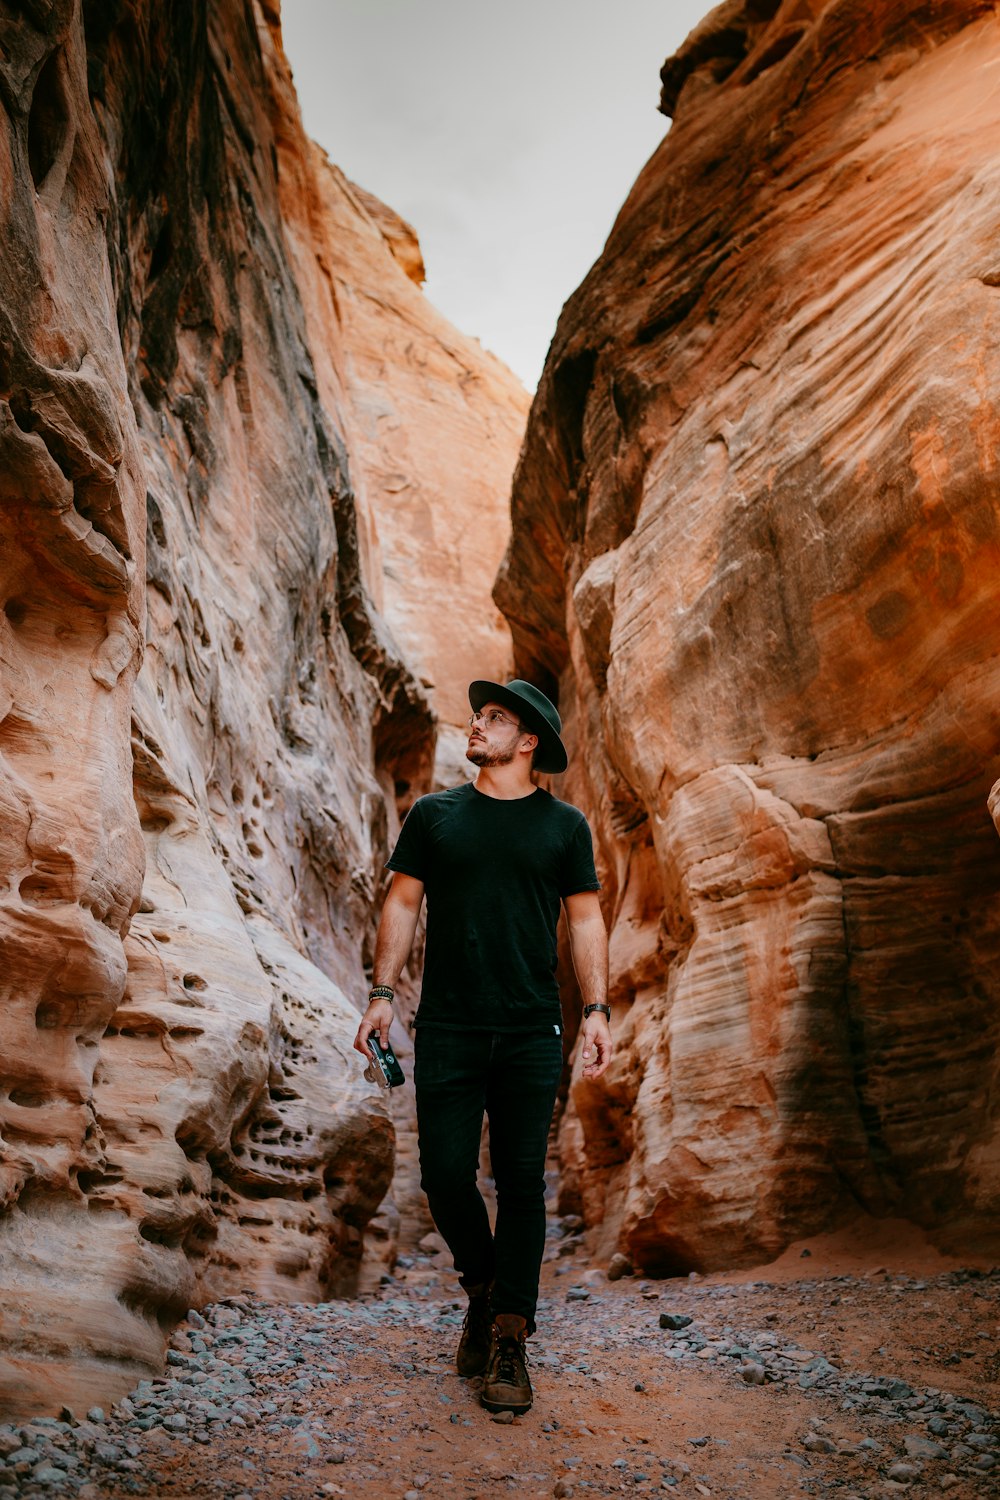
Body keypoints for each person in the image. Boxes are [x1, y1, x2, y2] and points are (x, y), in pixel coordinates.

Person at [353, 678, 612, 1415]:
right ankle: (482, 1287)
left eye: (496, 717)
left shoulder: (565, 827)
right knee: (444, 1175)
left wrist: (595, 1009)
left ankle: (507, 1339)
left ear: (527, 742)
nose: (479, 722)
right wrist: (380, 993)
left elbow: (587, 922)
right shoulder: (435, 816)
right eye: (480, 714)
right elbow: (402, 902)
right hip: (451, 1026)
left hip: (532, 1027)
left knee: (524, 1183)